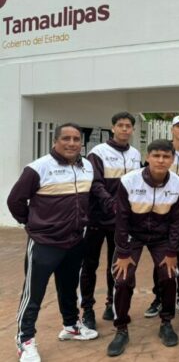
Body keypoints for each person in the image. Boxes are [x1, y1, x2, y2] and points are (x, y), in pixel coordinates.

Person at [8, 123, 98, 362]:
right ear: (55, 141)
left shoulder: (86, 166)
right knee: (33, 294)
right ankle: (25, 340)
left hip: (75, 241)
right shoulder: (38, 168)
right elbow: (15, 201)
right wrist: (32, 223)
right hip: (45, 242)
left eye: (76, 139)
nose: (71, 143)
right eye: (66, 138)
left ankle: (71, 326)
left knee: (68, 287)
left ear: (81, 143)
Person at [107, 139, 179, 357]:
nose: (161, 160)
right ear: (147, 157)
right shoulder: (128, 181)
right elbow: (121, 220)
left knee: (169, 276)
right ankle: (121, 329)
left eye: (166, 156)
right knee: (122, 279)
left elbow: (177, 222)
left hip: (162, 237)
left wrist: (172, 252)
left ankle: (166, 323)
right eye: (156, 156)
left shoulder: (178, 185)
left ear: (172, 159)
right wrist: (123, 252)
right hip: (132, 235)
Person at [81, 112, 141, 330]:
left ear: (132, 129)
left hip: (121, 222)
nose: (124, 129)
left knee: (115, 265)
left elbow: (137, 183)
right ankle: (87, 310)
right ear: (113, 127)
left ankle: (110, 303)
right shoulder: (98, 152)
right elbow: (95, 183)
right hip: (97, 219)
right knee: (89, 265)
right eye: (120, 125)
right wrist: (112, 204)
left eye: (128, 126)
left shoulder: (135, 154)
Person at [145, 114, 179, 319]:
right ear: (172, 129)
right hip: (162, 213)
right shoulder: (161, 152)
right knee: (162, 259)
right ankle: (158, 297)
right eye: (178, 126)